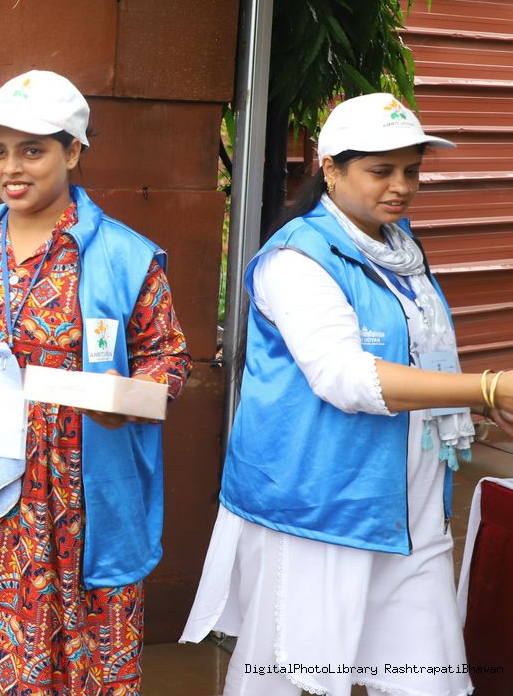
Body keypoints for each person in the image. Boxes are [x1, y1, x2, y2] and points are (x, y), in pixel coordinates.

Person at [181, 93, 513, 696]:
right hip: (321, 505)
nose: (401, 186)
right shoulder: (297, 259)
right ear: (330, 169)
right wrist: (485, 386)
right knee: (288, 676)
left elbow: (418, 359)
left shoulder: (399, 249)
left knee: (427, 680)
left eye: (411, 170)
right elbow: (345, 377)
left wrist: (480, 407)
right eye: (381, 170)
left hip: (410, 506)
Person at [0, 69, 191, 696]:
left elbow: (168, 358)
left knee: (83, 648)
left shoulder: (124, 256)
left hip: (77, 497)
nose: (11, 168)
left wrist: (126, 402)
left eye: (32, 150)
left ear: (73, 152)